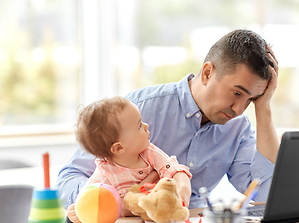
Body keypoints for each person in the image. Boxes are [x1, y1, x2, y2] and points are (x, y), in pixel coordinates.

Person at [56, 29, 279, 211]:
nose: (240, 110)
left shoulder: (238, 128)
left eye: (252, 99)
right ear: (207, 73)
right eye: (237, 93)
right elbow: (68, 180)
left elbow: (264, 194)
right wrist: (109, 200)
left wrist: (264, 108)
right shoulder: (138, 110)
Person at [67, 97, 192, 223]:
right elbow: (89, 201)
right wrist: (77, 213)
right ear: (119, 147)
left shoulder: (150, 153)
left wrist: (183, 187)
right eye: (139, 126)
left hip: (161, 222)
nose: (146, 126)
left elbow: (173, 169)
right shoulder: (105, 174)